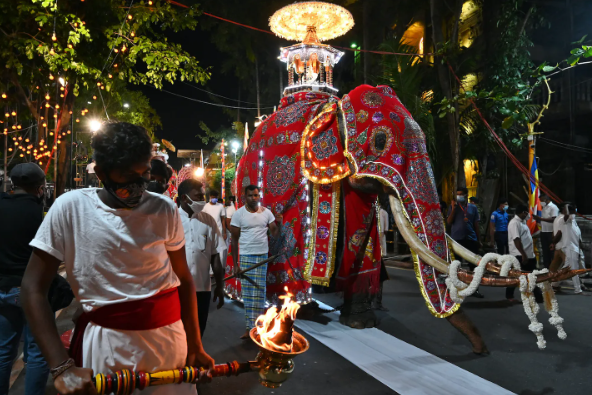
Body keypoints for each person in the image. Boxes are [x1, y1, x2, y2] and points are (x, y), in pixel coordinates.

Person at [20, 122, 213, 395]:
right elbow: (32, 288)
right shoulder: (71, 208)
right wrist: (61, 366)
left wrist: (195, 345)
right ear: (101, 172)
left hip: (169, 342)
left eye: (144, 173)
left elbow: (183, 279)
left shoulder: (164, 209)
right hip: (106, 347)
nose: (138, 185)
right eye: (126, 175)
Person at [0, 163, 49, 395]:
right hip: (32, 291)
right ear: (40, 188)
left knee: (3, 350)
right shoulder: (40, 215)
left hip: (3, 288)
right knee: (38, 351)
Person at [230, 185, 279, 339]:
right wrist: (236, 264)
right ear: (245, 197)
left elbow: (275, 233)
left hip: (262, 256)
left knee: (259, 292)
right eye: (251, 195)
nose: (254, 198)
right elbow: (234, 240)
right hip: (246, 256)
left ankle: (259, 328)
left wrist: (279, 223)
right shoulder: (238, 215)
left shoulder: (267, 213)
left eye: (256, 195)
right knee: (248, 293)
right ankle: (249, 327)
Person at [178, 179, 225, 336]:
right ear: (184, 198)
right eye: (198, 196)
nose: (202, 200)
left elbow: (216, 255)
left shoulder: (208, 220)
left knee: (198, 332)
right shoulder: (172, 220)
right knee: (178, 334)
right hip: (176, 290)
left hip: (202, 289)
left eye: (203, 196)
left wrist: (219, 285)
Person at [447, 187, 483, 298]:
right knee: (456, 265)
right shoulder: (453, 207)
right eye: (457, 195)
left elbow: (476, 225)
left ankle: (474, 289)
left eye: (461, 194)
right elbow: (449, 222)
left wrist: (479, 239)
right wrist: (453, 208)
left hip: (471, 239)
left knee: (474, 266)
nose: (459, 197)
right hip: (457, 240)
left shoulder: (473, 208)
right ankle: (455, 289)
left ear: (466, 195)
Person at [506, 204, 544, 303]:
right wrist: (523, 254)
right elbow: (516, 240)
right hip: (519, 255)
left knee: (531, 275)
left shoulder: (523, 222)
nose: (528, 215)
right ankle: (510, 295)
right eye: (527, 213)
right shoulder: (514, 223)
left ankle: (537, 296)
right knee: (516, 276)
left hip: (528, 254)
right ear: (523, 212)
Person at [550, 203, 589, 294]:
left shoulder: (573, 221)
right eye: (574, 210)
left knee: (565, 269)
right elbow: (566, 216)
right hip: (569, 248)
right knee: (574, 269)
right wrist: (567, 206)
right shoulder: (563, 221)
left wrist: (581, 247)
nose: (575, 211)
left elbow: (577, 235)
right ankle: (577, 289)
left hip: (575, 248)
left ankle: (554, 283)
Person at [202, 190, 228, 268]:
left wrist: (224, 232)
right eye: (213, 197)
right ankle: (210, 270)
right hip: (208, 231)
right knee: (209, 250)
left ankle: (219, 268)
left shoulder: (220, 206)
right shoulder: (205, 206)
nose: (214, 199)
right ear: (210, 197)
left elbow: (223, 219)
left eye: (216, 197)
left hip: (219, 231)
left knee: (219, 250)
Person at [533, 195, 559, 268]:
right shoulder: (545, 207)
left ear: (546, 199)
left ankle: (553, 268)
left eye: (541, 200)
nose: (541, 202)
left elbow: (554, 219)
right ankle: (546, 268)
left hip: (550, 232)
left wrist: (541, 219)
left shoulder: (553, 207)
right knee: (545, 251)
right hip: (543, 231)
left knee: (551, 251)